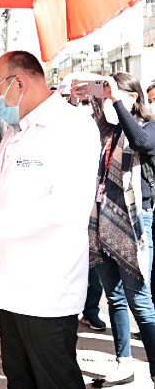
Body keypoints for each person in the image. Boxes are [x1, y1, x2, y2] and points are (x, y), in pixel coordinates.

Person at [0, 51, 101, 388]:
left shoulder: (72, 127)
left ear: (19, 83)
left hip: (46, 290)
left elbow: (67, 206)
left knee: (55, 380)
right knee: (19, 379)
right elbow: (6, 190)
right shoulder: (14, 132)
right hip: (11, 287)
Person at [74, 72, 155, 387]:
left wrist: (117, 98)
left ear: (132, 98)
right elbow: (88, 99)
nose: (107, 102)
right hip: (102, 221)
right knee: (116, 298)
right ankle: (124, 362)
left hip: (134, 222)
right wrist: (97, 88)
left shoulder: (147, 128)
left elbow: (141, 142)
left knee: (140, 301)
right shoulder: (107, 131)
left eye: (114, 95)